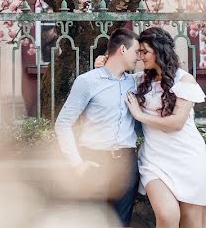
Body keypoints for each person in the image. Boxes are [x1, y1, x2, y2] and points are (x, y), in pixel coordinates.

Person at [128, 27, 206, 228]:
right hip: (154, 160)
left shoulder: (184, 80)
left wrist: (140, 115)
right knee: (168, 216)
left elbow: (176, 123)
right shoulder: (140, 80)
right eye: (139, 52)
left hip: (189, 158)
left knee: (191, 222)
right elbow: (113, 78)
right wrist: (103, 62)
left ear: (159, 51)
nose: (141, 57)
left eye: (145, 52)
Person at [54, 27, 141, 227]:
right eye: (136, 51)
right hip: (94, 159)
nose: (138, 57)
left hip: (126, 162)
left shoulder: (134, 82)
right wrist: (77, 163)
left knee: (121, 223)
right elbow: (63, 124)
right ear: (122, 50)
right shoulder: (87, 82)